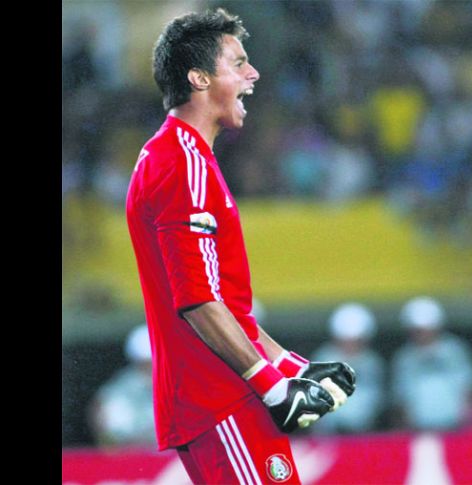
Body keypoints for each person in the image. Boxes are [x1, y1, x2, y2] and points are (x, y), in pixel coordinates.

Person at [125, 9, 356, 484]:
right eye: (239, 63)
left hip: (223, 397)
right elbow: (198, 302)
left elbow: (225, 303)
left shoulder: (180, 157)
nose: (253, 74)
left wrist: (293, 368)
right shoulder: (181, 163)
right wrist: (273, 387)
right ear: (199, 77)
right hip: (220, 399)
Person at [390, 296, 472, 431]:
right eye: (417, 330)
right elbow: (402, 400)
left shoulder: (454, 351)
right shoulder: (405, 358)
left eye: (426, 329)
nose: (422, 334)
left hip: (457, 427)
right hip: (419, 429)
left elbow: (471, 389)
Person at [310, 303, 387, 434]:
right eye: (346, 340)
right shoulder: (323, 359)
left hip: (364, 431)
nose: (351, 345)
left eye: (356, 340)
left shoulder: (372, 362)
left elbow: (376, 398)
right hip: (329, 433)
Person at [88, 325, 155, 447]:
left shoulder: (179, 384)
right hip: (129, 454)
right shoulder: (120, 388)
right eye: (145, 364)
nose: (150, 368)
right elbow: (100, 414)